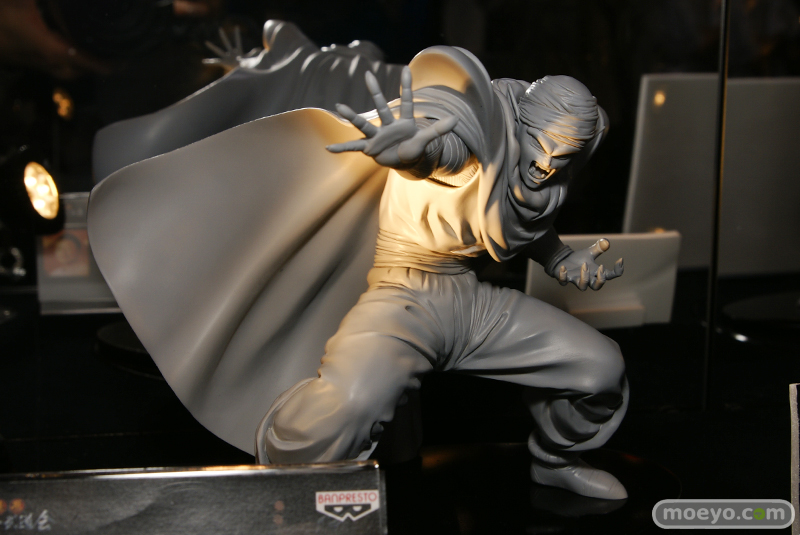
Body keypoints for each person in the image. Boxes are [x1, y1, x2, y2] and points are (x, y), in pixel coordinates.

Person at [256, 47, 628, 500]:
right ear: (519, 125)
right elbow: (451, 157)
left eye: (563, 156)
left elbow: (514, 221)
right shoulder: (479, 142)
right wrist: (414, 153)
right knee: (348, 405)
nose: (547, 164)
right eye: (542, 145)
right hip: (404, 292)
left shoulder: (538, 180)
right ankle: (283, 491)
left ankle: (555, 460)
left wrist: (560, 257)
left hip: (472, 301)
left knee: (601, 368)